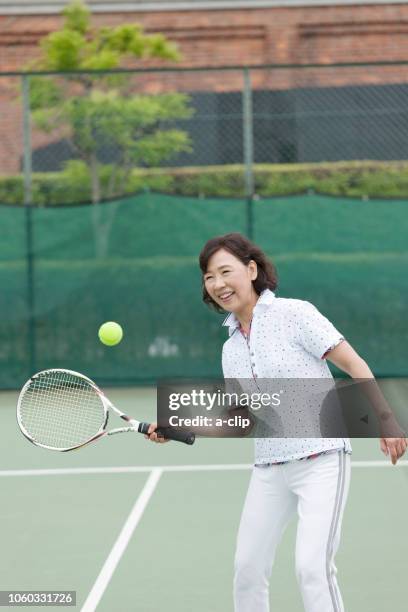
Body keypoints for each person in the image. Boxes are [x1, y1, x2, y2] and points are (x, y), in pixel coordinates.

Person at [146, 232, 407, 612]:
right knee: (247, 570)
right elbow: (241, 414)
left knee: (311, 569)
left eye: (225, 271)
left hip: (322, 459)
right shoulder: (230, 346)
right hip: (269, 468)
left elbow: (354, 364)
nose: (218, 284)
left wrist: (387, 421)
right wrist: (179, 425)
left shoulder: (295, 314)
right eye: (208, 277)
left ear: (251, 270)